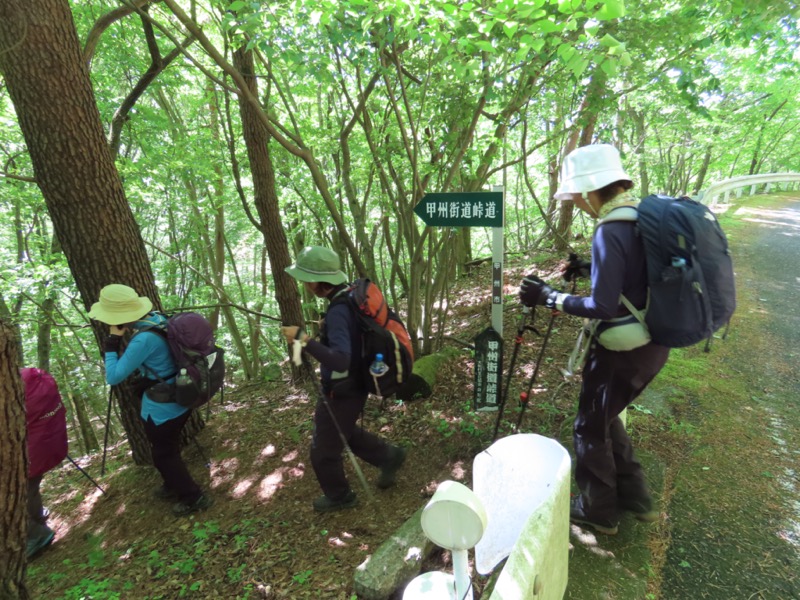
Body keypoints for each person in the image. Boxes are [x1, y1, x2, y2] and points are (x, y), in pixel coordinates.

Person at [519, 144, 670, 535]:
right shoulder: (640, 217)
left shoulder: (610, 229)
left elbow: (602, 306)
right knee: (605, 416)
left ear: (589, 190)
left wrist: (548, 297)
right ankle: (635, 495)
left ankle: (598, 510)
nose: (576, 203)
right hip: (655, 343)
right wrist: (589, 267)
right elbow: (632, 278)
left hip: (623, 349)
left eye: (575, 195)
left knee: (588, 425)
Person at [281, 246, 407, 512]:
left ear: (317, 281)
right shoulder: (348, 296)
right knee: (343, 432)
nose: (304, 284)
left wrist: (303, 340)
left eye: (305, 278)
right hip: (354, 384)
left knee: (323, 450)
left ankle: (339, 496)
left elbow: (340, 359)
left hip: (344, 388)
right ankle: (389, 456)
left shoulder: (339, 310)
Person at [88, 284, 213, 516]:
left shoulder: (142, 340)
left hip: (163, 406)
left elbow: (114, 376)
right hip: (183, 393)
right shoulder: (158, 319)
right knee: (167, 447)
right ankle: (171, 483)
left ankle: (193, 497)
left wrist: (112, 343)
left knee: (163, 454)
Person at [21, 367, 68, 558]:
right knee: (29, 488)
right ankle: (38, 520)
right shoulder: (32, 376)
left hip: (31, 450)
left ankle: (37, 534)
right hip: (48, 443)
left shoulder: (16, 388)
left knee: (15, 494)